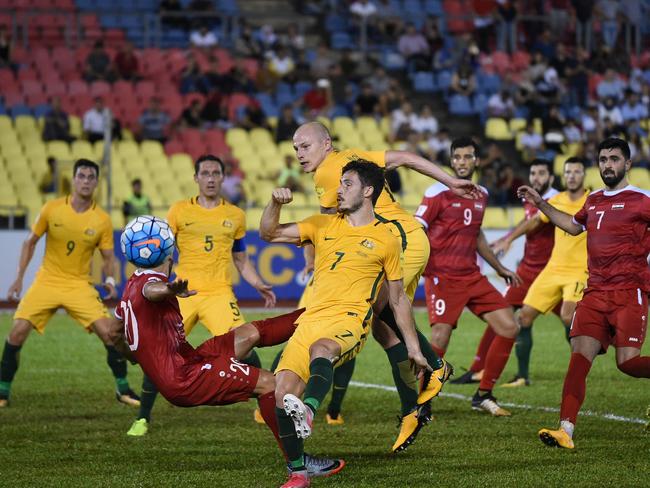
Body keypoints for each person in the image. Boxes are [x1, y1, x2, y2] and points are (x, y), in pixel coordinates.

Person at [292, 122, 478, 451]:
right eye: (295, 148)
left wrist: (315, 258)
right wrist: (450, 180)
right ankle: (412, 411)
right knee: (383, 328)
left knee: (376, 307)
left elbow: (326, 227)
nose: (299, 154)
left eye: (305, 146)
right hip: (409, 237)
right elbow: (407, 157)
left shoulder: (326, 173)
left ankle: (435, 368)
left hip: (394, 238)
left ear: (326, 144)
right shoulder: (354, 157)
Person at [115, 228, 344, 479]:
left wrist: (138, 357)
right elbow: (153, 291)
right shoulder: (151, 285)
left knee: (250, 332)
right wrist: (169, 290)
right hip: (184, 377)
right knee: (270, 384)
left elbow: (117, 333)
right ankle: (298, 463)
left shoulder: (130, 287)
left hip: (189, 358)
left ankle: (318, 313)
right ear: (169, 256)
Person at [260, 160, 431, 488]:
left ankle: (308, 410)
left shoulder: (387, 238)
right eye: (339, 183)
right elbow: (269, 233)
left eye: (347, 184)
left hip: (349, 319)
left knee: (321, 349)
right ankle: (298, 474)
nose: (338, 190)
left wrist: (412, 345)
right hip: (312, 316)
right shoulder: (321, 225)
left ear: (367, 191)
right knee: (281, 393)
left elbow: (397, 299)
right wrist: (274, 204)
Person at [127, 155, 276, 434]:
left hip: (219, 293)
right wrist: (158, 284)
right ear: (196, 178)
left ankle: (262, 398)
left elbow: (241, 259)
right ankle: (143, 417)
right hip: (183, 294)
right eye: (205, 173)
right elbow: (162, 253)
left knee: (245, 346)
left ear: (222, 177)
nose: (210, 178)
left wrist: (258, 284)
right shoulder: (179, 211)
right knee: (161, 354)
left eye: (215, 173)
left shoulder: (235, 215)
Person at [518, 137, 650, 449]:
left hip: (629, 293)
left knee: (627, 363)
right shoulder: (593, 202)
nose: (608, 164)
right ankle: (565, 429)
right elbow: (573, 226)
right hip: (594, 294)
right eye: (603, 159)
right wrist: (540, 203)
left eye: (614, 159)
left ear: (628, 164)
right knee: (578, 360)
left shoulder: (642, 199)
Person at [1, 159, 139, 408]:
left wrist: (108, 279)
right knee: (17, 332)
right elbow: (29, 242)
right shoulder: (51, 209)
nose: (86, 181)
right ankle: (2, 391)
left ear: (96, 182)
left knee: (110, 334)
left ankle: (123, 390)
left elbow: (108, 257)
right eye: (82, 176)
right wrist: (20, 277)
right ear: (74, 180)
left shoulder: (101, 219)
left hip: (79, 285)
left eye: (90, 177)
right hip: (47, 281)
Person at [415, 137, 521, 415]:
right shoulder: (436, 192)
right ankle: (422, 402)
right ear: (451, 161)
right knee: (440, 337)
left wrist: (499, 268)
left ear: (476, 161)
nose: (462, 162)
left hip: (472, 276)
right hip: (442, 276)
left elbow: (477, 235)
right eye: (458, 157)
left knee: (510, 327)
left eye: (468, 157)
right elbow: (417, 229)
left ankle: (484, 394)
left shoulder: (481, 194)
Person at [452, 159, 560, 385]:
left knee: (572, 321)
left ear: (550, 178)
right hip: (527, 271)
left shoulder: (556, 199)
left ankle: (591, 356)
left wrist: (509, 238)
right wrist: (506, 238)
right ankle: (478, 369)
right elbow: (527, 220)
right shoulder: (531, 198)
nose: (536, 177)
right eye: (533, 173)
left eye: (542, 173)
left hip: (552, 272)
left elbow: (534, 223)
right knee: (501, 312)